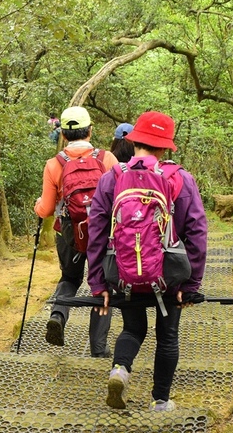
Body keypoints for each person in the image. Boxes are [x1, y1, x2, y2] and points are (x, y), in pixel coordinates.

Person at [87, 111, 207, 412]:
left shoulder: (111, 178)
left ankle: (119, 371)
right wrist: (191, 284)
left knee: (132, 329)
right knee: (167, 335)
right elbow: (197, 232)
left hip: (124, 273)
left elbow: (97, 232)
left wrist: (98, 282)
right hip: (168, 276)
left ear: (135, 140)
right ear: (165, 147)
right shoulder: (181, 179)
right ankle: (160, 401)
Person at [35, 105, 117, 354]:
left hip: (69, 235)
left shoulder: (54, 164)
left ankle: (58, 315)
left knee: (70, 278)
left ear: (63, 134)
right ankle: (99, 348)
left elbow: (47, 209)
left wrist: (37, 206)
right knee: (103, 286)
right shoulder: (107, 160)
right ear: (90, 131)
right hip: (103, 234)